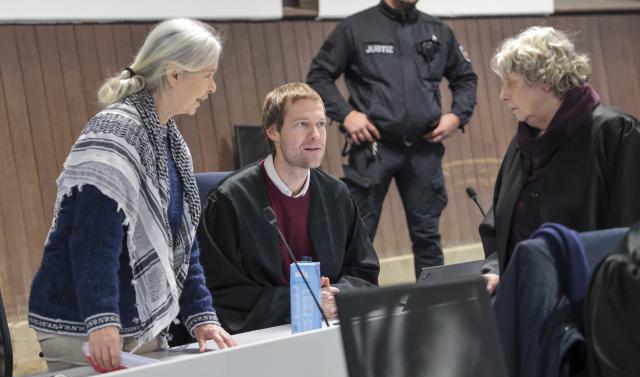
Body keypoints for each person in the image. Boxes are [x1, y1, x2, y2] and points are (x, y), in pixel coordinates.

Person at [28, 18, 236, 373]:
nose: (213, 87)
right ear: (174, 74)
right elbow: (93, 238)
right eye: (207, 75)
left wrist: (200, 314)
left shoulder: (171, 141)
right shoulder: (116, 131)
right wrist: (101, 318)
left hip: (136, 319)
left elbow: (181, 242)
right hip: (82, 322)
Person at [306, 0, 477, 278]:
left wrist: (456, 116)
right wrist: (347, 115)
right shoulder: (355, 28)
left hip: (424, 148)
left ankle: (433, 306)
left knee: (428, 235)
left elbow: (466, 78)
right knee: (359, 234)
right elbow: (319, 75)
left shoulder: (437, 30)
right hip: (373, 148)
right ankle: (352, 305)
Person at [198, 83, 379, 335]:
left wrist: (337, 295)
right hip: (261, 340)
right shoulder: (230, 200)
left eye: (320, 124)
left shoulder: (337, 194)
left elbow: (363, 271)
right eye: (302, 124)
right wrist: (302, 303)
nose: (315, 135)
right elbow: (223, 293)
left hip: (330, 331)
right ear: (273, 131)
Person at [482, 26, 640, 292]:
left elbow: (631, 232)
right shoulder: (521, 145)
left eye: (511, 82)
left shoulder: (615, 134)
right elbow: (498, 224)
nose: (502, 95)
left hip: (594, 304)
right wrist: (495, 269)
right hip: (528, 299)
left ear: (544, 79)